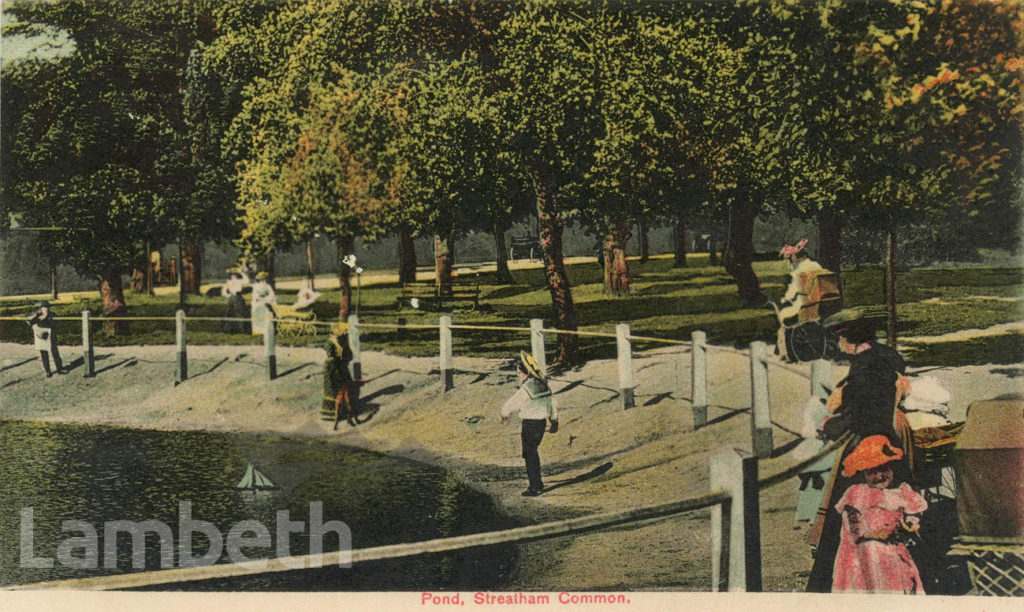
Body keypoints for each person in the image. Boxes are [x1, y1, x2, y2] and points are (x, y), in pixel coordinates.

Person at [806, 304, 913, 592]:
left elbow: (861, 414)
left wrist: (828, 427)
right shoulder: (887, 356)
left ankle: (847, 582)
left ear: (845, 338)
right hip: (894, 438)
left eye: (839, 338)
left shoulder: (865, 367)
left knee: (852, 512)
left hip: (870, 445)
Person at [832, 435, 927, 594]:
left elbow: (914, 511)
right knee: (872, 571)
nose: (879, 476)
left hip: (893, 547)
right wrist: (875, 534)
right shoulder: (857, 493)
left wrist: (911, 522)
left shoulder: (900, 491)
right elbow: (853, 527)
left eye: (884, 469)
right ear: (862, 473)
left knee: (898, 574)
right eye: (872, 472)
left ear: (892, 468)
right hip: (865, 549)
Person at [500, 351, 559, 497]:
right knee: (533, 452)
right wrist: (554, 421)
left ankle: (535, 486)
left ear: (524, 372)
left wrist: (504, 415)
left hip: (530, 424)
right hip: (541, 423)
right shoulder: (543, 384)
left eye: (519, 372)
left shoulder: (527, 388)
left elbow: (511, 404)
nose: (518, 375)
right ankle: (537, 483)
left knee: (529, 454)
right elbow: (552, 403)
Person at [775, 239, 825, 360]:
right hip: (819, 305)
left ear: (795, 258)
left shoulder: (800, 271)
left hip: (804, 307)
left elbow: (791, 294)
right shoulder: (817, 266)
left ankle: (785, 352)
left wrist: (784, 300)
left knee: (781, 315)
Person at [322, 320, 357, 430]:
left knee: (347, 391)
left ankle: (346, 413)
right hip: (333, 369)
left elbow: (348, 355)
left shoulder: (340, 342)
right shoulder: (329, 343)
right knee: (334, 391)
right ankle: (335, 414)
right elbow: (332, 358)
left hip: (341, 368)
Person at [26, 301, 63, 377]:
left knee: (55, 352)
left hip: (51, 336)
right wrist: (33, 320)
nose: (45, 309)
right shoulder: (38, 315)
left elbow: (54, 324)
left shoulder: (52, 315)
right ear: (41, 308)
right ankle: (48, 371)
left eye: (46, 307)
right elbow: (30, 322)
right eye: (43, 307)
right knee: (44, 354)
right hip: (42, 338)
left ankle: (59, 369)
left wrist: (46, 319)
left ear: (48, 308)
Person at [221, 267, 250, 333]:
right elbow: (223, 292)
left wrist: (241, 272)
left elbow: (247, 280)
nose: (233, 276)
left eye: (235, 274)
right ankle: (228, 329)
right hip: (232, 298)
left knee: (241, 312)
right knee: (229, 313)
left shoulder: (239, 281)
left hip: (238, 297)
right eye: (232, 274)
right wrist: (229, 295)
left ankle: (242, 329)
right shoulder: (228, 282)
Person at [250, 271, 277, 336]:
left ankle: (263, 329)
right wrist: (265, 300)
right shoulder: (256, 286)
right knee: (258, 313)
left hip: (263, 303)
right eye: (263, 279)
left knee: (266, 313)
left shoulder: (267, 286)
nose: (264, 280)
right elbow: (255, 296)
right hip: (258, 303)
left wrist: (267, 300)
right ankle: (258, 330)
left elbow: (272, 295)